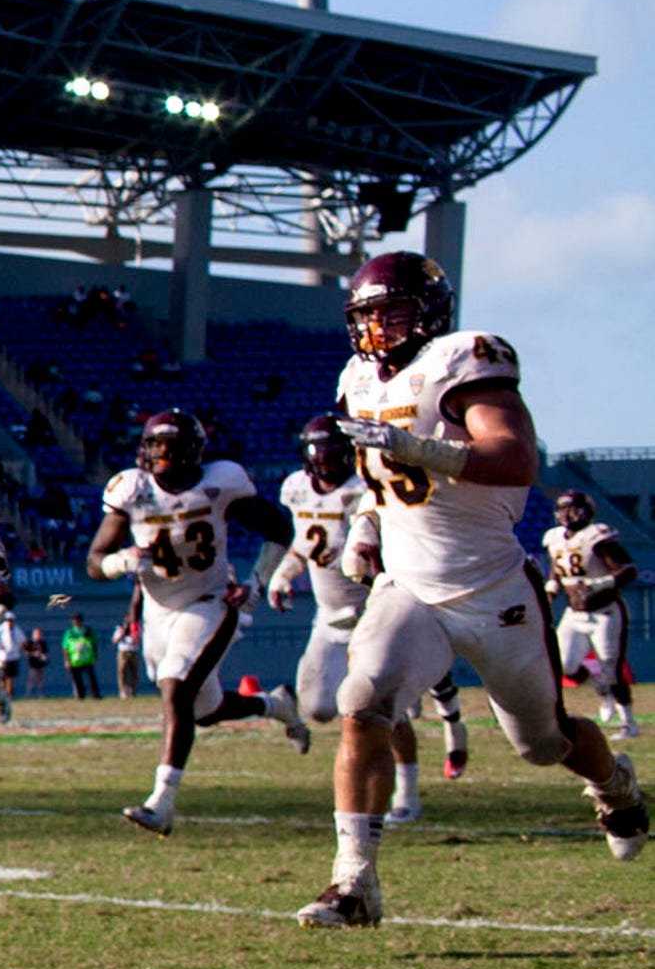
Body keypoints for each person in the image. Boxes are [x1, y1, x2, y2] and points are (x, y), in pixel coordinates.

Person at [303, 254, 646, 925]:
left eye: (390, 312)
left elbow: (516, 457)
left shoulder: (463, 359)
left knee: (543, 743)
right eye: (365, 316)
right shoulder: (354, 379)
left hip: (491, 587)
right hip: (408, 586)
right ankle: (353, 883)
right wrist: (365, 527)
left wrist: (419, 447)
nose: (375, 328)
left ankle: (614, 783)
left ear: (429, 312)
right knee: (360, 702)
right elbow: (384, 479)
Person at [89, 410, 310, 837]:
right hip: (158, 610)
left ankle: (162, 803)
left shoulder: (220, 481)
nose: (162, 453)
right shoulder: (130, 489)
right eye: (155, 444)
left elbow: (278, 527)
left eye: (172, 445)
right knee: (202, 710)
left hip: (210, 600)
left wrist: (256, 582)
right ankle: (276, 705)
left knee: (175, 688)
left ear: (194, 450)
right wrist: (121, 561)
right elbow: (95, 561)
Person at [268, 414, 471, 824]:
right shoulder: (295, 489)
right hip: (328, 617)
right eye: (316, 451)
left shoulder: (365, 488)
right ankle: (286, 706)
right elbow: (301, 545)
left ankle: (408, 796)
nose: (324, 460)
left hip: (373, 611)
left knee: (383, 710)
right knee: (321, 709)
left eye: (331, 451)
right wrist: (282, 575)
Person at [544, 488, 638, 740]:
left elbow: (629, 571)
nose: (568, 513)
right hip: (574, 614)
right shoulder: (554, 538)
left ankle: (629, 724)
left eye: (573, 508)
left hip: (605, 612)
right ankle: (601, 688)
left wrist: (597, 584)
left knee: (611, 666)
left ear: (586, 511)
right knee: (564, 665)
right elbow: (557, 568)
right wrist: (550, 590)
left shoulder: (597, 536)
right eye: (563, 508)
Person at [61, 614, 101, 700]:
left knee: (91, 678)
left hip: (87, 659)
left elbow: (94, 643)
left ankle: (95, 694)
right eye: (74, 620)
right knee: (77, 680)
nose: (76, 622)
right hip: (75, 660)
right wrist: (67, 661)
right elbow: (65, 647)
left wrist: (95, 655)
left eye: (78, 620)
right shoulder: (70, 632)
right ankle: (80, 695)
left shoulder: (88, 631)